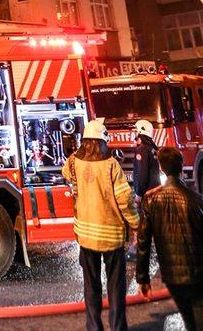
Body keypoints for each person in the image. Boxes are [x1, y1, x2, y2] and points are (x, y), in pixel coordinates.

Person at [62, 117, 139, 331]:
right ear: (102, 141)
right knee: (116, 288)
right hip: (111, 237)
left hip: (86, 236)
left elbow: (65, 173)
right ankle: (117, 327)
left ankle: (94, 327)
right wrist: (136, 223)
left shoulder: (74, 162)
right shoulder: (111, 165)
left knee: (91, 286)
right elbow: (124, 199)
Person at [136, 145, 203, 331]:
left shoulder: (151, 200)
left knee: (189, 320)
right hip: (197, 275)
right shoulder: (195, 200)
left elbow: (143, 241)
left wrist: (143, 278)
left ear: (161, 168)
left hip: (172, 276)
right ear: (181, 167)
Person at [132, 120, 160, 205]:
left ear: (140, 132)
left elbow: (141, 173)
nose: (135, 134)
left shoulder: (142, 149)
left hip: (147, 194)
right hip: (155, 191)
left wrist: (139, 194)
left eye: (136, 131)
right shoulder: (152, 148)